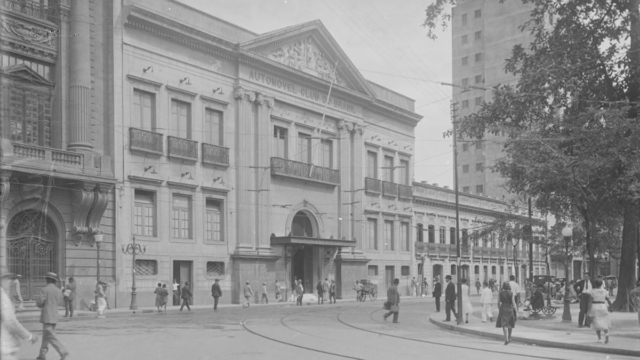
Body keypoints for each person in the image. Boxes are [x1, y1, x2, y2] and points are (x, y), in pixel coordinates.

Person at [1, 270, 38, 360]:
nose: (10, 281)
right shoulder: (2, 297)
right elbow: (10, 321)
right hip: (5, 346)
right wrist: (28, 335)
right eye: (6, 278)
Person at [36, 272, 69, 360]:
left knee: (49, 335)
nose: (45, 280)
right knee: (46, 335)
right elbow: (60, 303)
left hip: (47, 316)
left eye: (46, 279)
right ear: (54, 281)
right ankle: (42, 355)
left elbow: (40, 303)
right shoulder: (58, 291)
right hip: (54, 316)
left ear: (48, 280)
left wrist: (39, 304)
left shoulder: (44, 289)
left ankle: (62, 351)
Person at [587, 279, 612, 344]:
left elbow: (590, 301)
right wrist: (611, 307)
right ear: (601, 284)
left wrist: (588, 310)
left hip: (595, 306)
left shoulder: (592, 292)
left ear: (594, 284)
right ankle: (606, 334)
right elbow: (609, 300)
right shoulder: (605, 291)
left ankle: (599, 338)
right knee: (604, 321)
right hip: (603, 306)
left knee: (596, 322)